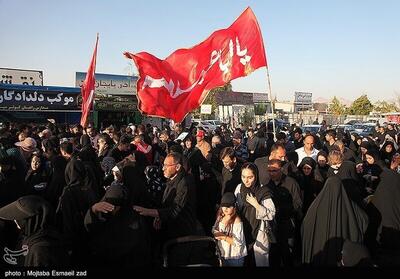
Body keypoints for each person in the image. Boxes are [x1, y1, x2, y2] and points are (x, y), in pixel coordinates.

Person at [301, 176, 369, 266]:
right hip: (343, 256)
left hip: (319, 253)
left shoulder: (315, 207)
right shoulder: (349, 206)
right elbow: (364, 220)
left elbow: (305, 227)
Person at [0, 195, 69, 266]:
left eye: (19, 218)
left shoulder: (41, 249)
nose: (15, 220)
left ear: (30, 220)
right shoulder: (30, 238)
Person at [234, 162, 276, 266]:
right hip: (243, 230)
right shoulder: (239, 188)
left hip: (259, 231)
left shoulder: (263, 191)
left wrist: (256, 205)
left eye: (250, 177)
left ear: (256, 176)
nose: (246, 180)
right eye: (243, 177)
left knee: (259, 260)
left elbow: (271, 213)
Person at [212, 192, 247, 267]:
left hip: (235, 256)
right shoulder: (220, 216)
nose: (225, 209)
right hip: (222, 254)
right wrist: (216, 233)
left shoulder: (237, 220)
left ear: (234, 207)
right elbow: (213, 229)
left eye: (228, 206)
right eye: (223, 206)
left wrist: (223, 237)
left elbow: (238, 243)